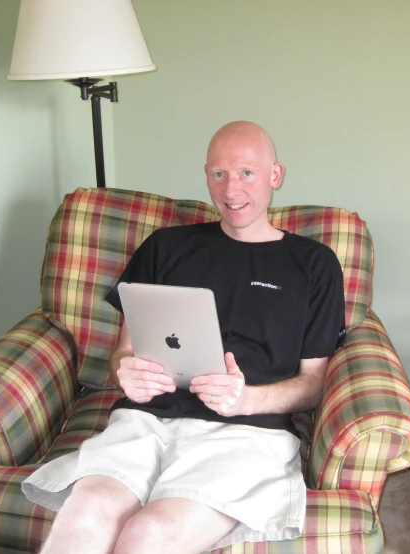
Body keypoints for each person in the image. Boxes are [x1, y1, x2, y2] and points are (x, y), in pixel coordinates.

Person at [21, 121, 346, 554]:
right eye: (219, 174)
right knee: (86, 512)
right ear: (206, 175)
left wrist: (246, 399)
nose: (231, 190)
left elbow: (314, 382)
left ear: (275, 175)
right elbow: (125, 351)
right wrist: (126, 373)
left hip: (246, 432)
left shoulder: (314, 264)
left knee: (147, 535)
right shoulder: (165, 247)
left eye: (247, 172)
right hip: (145, 421)